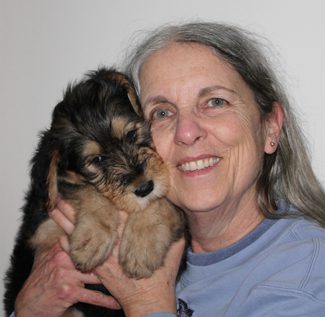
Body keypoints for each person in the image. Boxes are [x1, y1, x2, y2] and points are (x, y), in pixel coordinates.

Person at [11, 22, 325, 317]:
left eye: (215, 102)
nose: (187, 132)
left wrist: (146, 302)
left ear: (271, 128)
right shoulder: (113, 232)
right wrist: (27, 310)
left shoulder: (307, 272)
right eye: (162, 112)